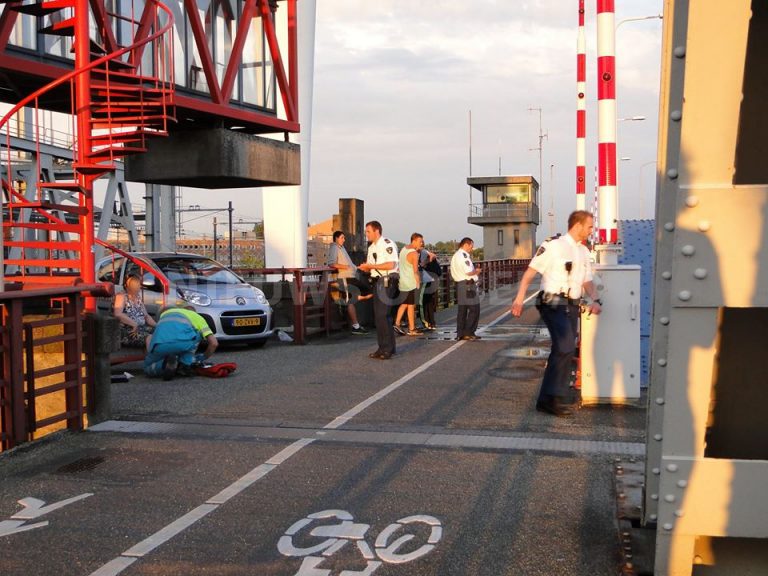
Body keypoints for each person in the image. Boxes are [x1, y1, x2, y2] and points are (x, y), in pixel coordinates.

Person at [511, 210, 603, 417]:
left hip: (571, 304)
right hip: (551, 302)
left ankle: (547, 399)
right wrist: (519, 299)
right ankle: (555, 397)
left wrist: (595, 299)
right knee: (566, 345)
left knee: (565, 350)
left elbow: (586, 280)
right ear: (577, 225)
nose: (591, 230)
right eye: (589, 226)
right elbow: (530, 272)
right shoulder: (553, 246)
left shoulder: (583, 251)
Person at [358, 220, 399, 360]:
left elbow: (391, 264)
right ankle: (384, 347)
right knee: (379, 316)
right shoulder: (371, 247)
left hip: (387, 280)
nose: (366, 234)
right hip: (376, 281)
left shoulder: (387, 244)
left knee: (383, 315)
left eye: (368, 231)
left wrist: (370, 266)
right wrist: (366, 268)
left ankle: (386, 348)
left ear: (377, 231)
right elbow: (371, 266)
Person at [144, 304, 219, 380]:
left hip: (159, 345)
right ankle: (185, 364)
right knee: (197, 334)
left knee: (147, 368)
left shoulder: (165, 314)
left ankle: (163, 365)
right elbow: (214, 343)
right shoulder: (198, 318)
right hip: (183, 344)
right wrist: (203, 357)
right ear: (195, 312)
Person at [327, 230, 370, 335]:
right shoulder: (334, 247)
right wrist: (345, 267)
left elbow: (350, 264)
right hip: (345, 277)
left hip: (351, 276)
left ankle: (353, 318)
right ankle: (355, 326)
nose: (344, 240)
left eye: (344, 238)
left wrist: (359, 267)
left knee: (368, 291)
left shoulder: (342, 248)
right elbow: (331, 263)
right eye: (342, 237)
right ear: (336, 238)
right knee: (350, 300)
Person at [450, 237, 482, 341]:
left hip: (460, 284)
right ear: (466, 245)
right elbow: (469, 272)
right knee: (474, 309)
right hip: (468, 284)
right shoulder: (464, 256)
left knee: (462, 310)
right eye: (471, 246)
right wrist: (477, 271)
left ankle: (460, 332)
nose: (471, 249)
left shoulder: (455, 256)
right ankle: (469, 332)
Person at [113, 274, 156, 348]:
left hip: (141, 327)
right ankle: (151, 359)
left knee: (161, 333)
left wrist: (158, 325)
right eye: (138, 284)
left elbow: (146, 316)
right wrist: (133, 323)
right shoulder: (121, 296)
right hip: (128, 330)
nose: (140, 287)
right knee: (150, 337)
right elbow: (118, 314)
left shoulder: (138, 297)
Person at [393, 233, 424, 336]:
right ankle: (412, 328)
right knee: (411, 306)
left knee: (404, 304)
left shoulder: (403, 249)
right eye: (420, 241)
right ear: (414, 240)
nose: (421, 243)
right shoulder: (414, 253)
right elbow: (415, 270)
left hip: (403, 282)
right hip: (410, 283)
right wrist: (418, 282)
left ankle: (397, 323)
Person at [419, 247, 440, 331]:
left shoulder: (423, 253)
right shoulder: (426, 253)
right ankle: (431, 322)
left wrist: (422, 264)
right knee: (429, 302)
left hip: (426, 280)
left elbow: (422, 264)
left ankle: (426, 322)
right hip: (432, 279)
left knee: (423, 302)